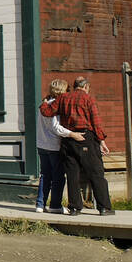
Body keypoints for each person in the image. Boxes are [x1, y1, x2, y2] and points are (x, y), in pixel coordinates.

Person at [43, 76, 115, 216]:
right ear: (86, 86)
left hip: (68, 139)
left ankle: (75, 208)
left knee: (72, 174)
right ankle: (104, 207)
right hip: (86, 137)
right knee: (96, 172)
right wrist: (102, 140)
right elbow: (96, 122)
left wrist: (44, 103)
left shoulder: (63, 98)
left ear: (75, 85)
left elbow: (47, 112)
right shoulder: (88, 99)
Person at [36, 79, 84, 213]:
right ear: (62, 91)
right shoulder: (55, 106)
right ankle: (55, 205)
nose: (68, 93)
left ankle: (40, 204)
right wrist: (72, 134)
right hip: (54, 146)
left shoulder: (43, 104)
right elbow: (56, 128)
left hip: (41, 144)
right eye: (67, 90)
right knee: (58, 177)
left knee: (45, 175)